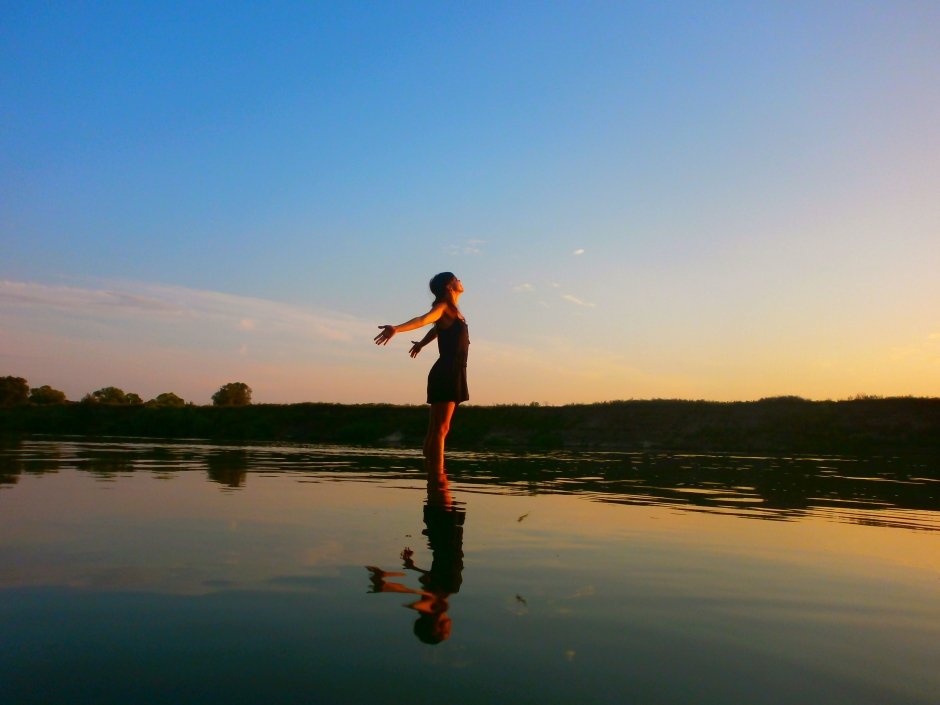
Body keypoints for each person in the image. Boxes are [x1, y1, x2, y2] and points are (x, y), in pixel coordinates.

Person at [374, 272, 469, 482]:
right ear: (448, 285)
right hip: (447, 371)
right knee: (441, 429)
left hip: (452, 370)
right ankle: (438, 479)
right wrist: (397, 329)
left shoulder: (452, 312)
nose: (461, 280)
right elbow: (423, 320)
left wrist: (421, 344)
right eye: (456, 278)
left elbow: (436, 329)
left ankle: (432, 474)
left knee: (437, 428)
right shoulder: (443, 307)